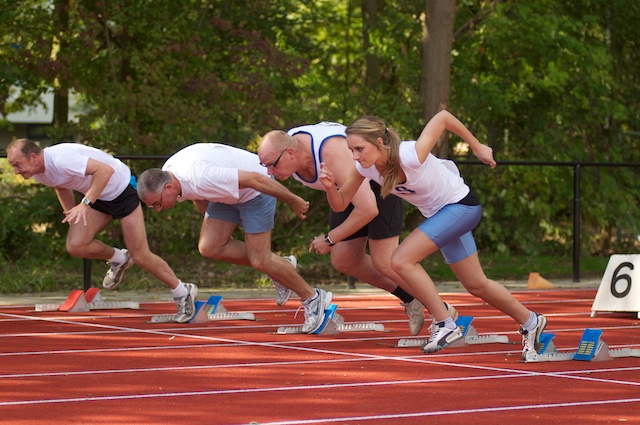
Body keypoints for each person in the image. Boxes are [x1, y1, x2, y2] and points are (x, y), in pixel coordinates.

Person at [318, 110, 547, 358]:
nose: (354, 156)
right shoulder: (366, 169)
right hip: (442, 216)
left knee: (400, 259)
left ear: (379, 142)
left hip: (462, 207)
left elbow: (443, 117)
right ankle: (531, 322)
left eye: (359, 149)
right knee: (476, 284)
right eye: (351, 150)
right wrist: (330, 188)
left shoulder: (411, 154)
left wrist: (478, 146)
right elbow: (340, 204)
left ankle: (445, 324)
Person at [259, 123, 459, 336]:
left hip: (378, 183)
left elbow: (368, 209)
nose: (269, 171)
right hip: (344, 188)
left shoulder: (332, 153)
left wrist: (329, 239)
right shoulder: (283, 147)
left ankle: (443, 312)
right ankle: (411, 298)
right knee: (344, 259)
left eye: (272, 165)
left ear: (290, 153)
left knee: (385, 262)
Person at [136, 143, 333, 334]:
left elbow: (257, 179)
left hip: (256, 191)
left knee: (260, 259)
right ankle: (281, 266)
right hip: (227, 196)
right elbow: (197, 195)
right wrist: (217, 225)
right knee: (209, 246)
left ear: (169, 188)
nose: (159, 210)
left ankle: (313, 298)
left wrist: (293, 200)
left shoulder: (201, 175)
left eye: (157, 204)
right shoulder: (168, 174)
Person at [6, 139, 198, 323]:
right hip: (97, 197)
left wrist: (85, 204)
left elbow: (105, 171)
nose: (15, 171)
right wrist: (70, 212)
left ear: (32, 156)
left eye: (17, 165)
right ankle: (120, 259)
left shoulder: (60, 159)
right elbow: (60, 185)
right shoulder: (39, 172)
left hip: (122, 190)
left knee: (141, 255)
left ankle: (183, 292)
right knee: (76, 245)